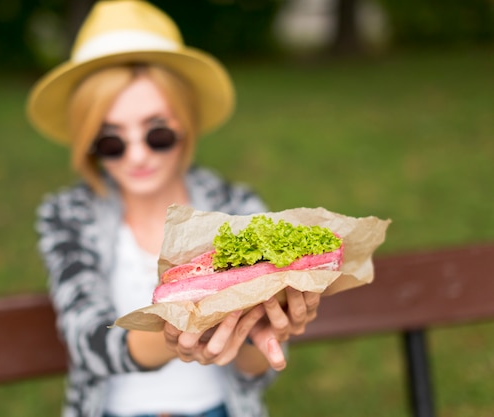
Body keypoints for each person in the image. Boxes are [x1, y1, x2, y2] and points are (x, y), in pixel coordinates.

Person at [26, 1, 321, 417]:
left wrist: (263, 334)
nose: (137, 156)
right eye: (111, 141)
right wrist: (173, 332)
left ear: (186, 122)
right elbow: (87, 340)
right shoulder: (67, 216)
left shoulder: (236, 208)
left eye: (157, 133)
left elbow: (256, 371)